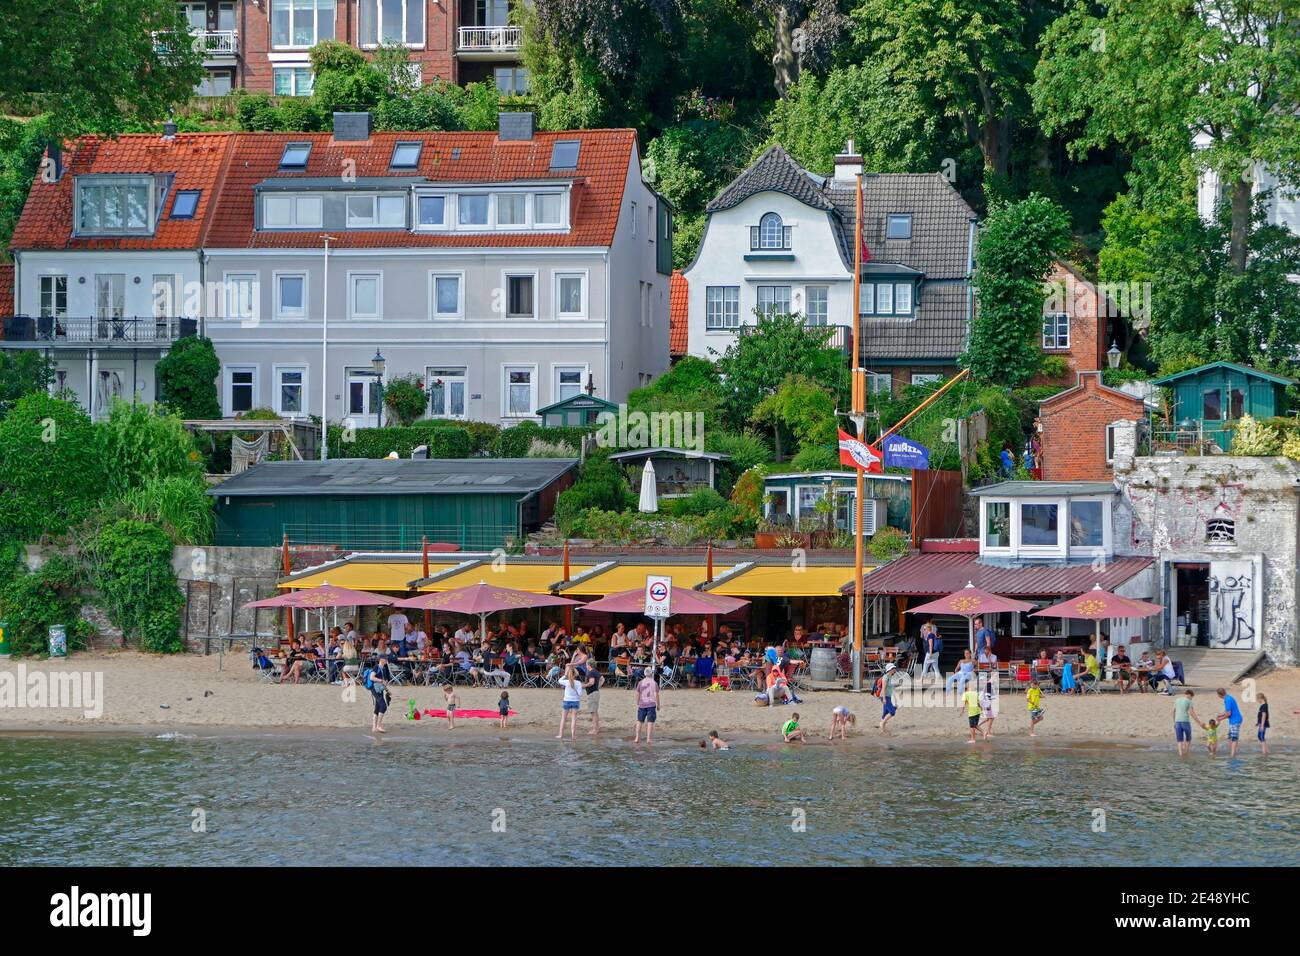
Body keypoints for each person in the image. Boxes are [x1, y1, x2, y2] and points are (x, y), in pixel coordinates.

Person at [1213, 687, 1244, 757]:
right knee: (1230, 737)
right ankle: (1232, 753)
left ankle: (1232, 755)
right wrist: (1220, 714)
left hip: (1235, 720)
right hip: (1233, 720)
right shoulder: (1228, 698)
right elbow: (1227, 710)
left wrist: (1220, 719)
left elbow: (1228, 714)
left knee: (1234, 738)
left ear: (1219, 695)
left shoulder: (1227, 700)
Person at [554, 664, 583, 740]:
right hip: (575, 701)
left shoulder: (566, 682)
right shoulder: (578, 683)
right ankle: (573, 735)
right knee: (574, 718)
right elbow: (580, 694)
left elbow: (559, 680)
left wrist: (565, 675)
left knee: (563, 718)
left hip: (567, 701)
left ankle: (560, 734)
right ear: (576, 674)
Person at [1173, 689, 1201, 757]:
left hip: (1177, 722)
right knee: (1188, 738)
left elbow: (1173, 711)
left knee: (1179, 740)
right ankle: (1186, 753)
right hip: (1185, 721)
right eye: (1192, 697)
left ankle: (1181, 754)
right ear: (1189, 695)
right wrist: (1199, 722)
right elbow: (1191, 713)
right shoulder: (1189, 701)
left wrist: (1174, 722)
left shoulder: (1177, 700)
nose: (1191, 699)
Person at [634, 668, 660, 744]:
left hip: (642, 704)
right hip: (651, 704)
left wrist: (637, 702)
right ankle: (648, 738)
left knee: (639, 721)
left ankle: (637, 737)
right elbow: (656, 695)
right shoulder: (654, 683)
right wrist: (658, 705)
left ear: (644, 674)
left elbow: (637, 693)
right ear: (651, 674)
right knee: (650, 722)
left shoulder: (640, 682)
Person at [367, 663, 388, 734]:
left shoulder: (384, 669)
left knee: (377, 707)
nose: (386, 660)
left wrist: (387, 690)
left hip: (380, 689)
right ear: (381, 659)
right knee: (383, 706)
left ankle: (374, 727)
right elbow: (371, 677)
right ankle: (379, 726)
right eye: (385, 658)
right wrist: (380, 680)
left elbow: (384, 682)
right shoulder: (376, 667)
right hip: (374, 688)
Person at [879, 662, 898, 734]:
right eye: (893, 668)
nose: (894, 669)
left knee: (885, 712)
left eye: (894, 668)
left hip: (890, 697)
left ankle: (882, 729)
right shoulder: (885, 677)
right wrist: (883, 698)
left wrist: (895, 699)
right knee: (892, 712)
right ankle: (882, 724)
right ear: (889, 670)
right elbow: (883, 689)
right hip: (884, 696)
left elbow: (893, 689)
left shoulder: (891, 677)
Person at [920, 620, 942, 684]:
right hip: (936, 652)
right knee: (935, 667)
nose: (924, 630)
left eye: (925, 629)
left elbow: (931, 644)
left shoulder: (930, 635)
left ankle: (921, 679)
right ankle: (938, 680)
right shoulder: (933, 634)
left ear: (928, 628)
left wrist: (930, 653)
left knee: (925, 666)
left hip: (930, 653)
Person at [584, 665, 603, 736]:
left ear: (588, 665)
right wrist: (598, 686)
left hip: (592, 694)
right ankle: (597, 728)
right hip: (595, 693)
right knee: (595, 712)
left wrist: (583, 685)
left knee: (593, 712)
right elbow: (602, 679)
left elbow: (591, 682)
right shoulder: (595, 671)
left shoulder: (591, 672)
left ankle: (595, 730)